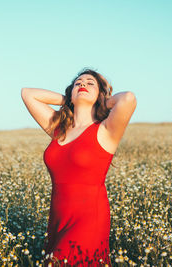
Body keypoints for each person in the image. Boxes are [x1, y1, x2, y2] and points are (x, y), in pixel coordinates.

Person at [21, 68, 137, 266]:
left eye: (90, 83)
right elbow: (27, 94)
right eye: (78, 83)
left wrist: (103, 100)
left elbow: (128, 99)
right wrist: (68, 99)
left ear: (100, 94)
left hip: (89, 218)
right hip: (58, 218)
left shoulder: (106, 130)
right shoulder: (59, 129)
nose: (83, 84)